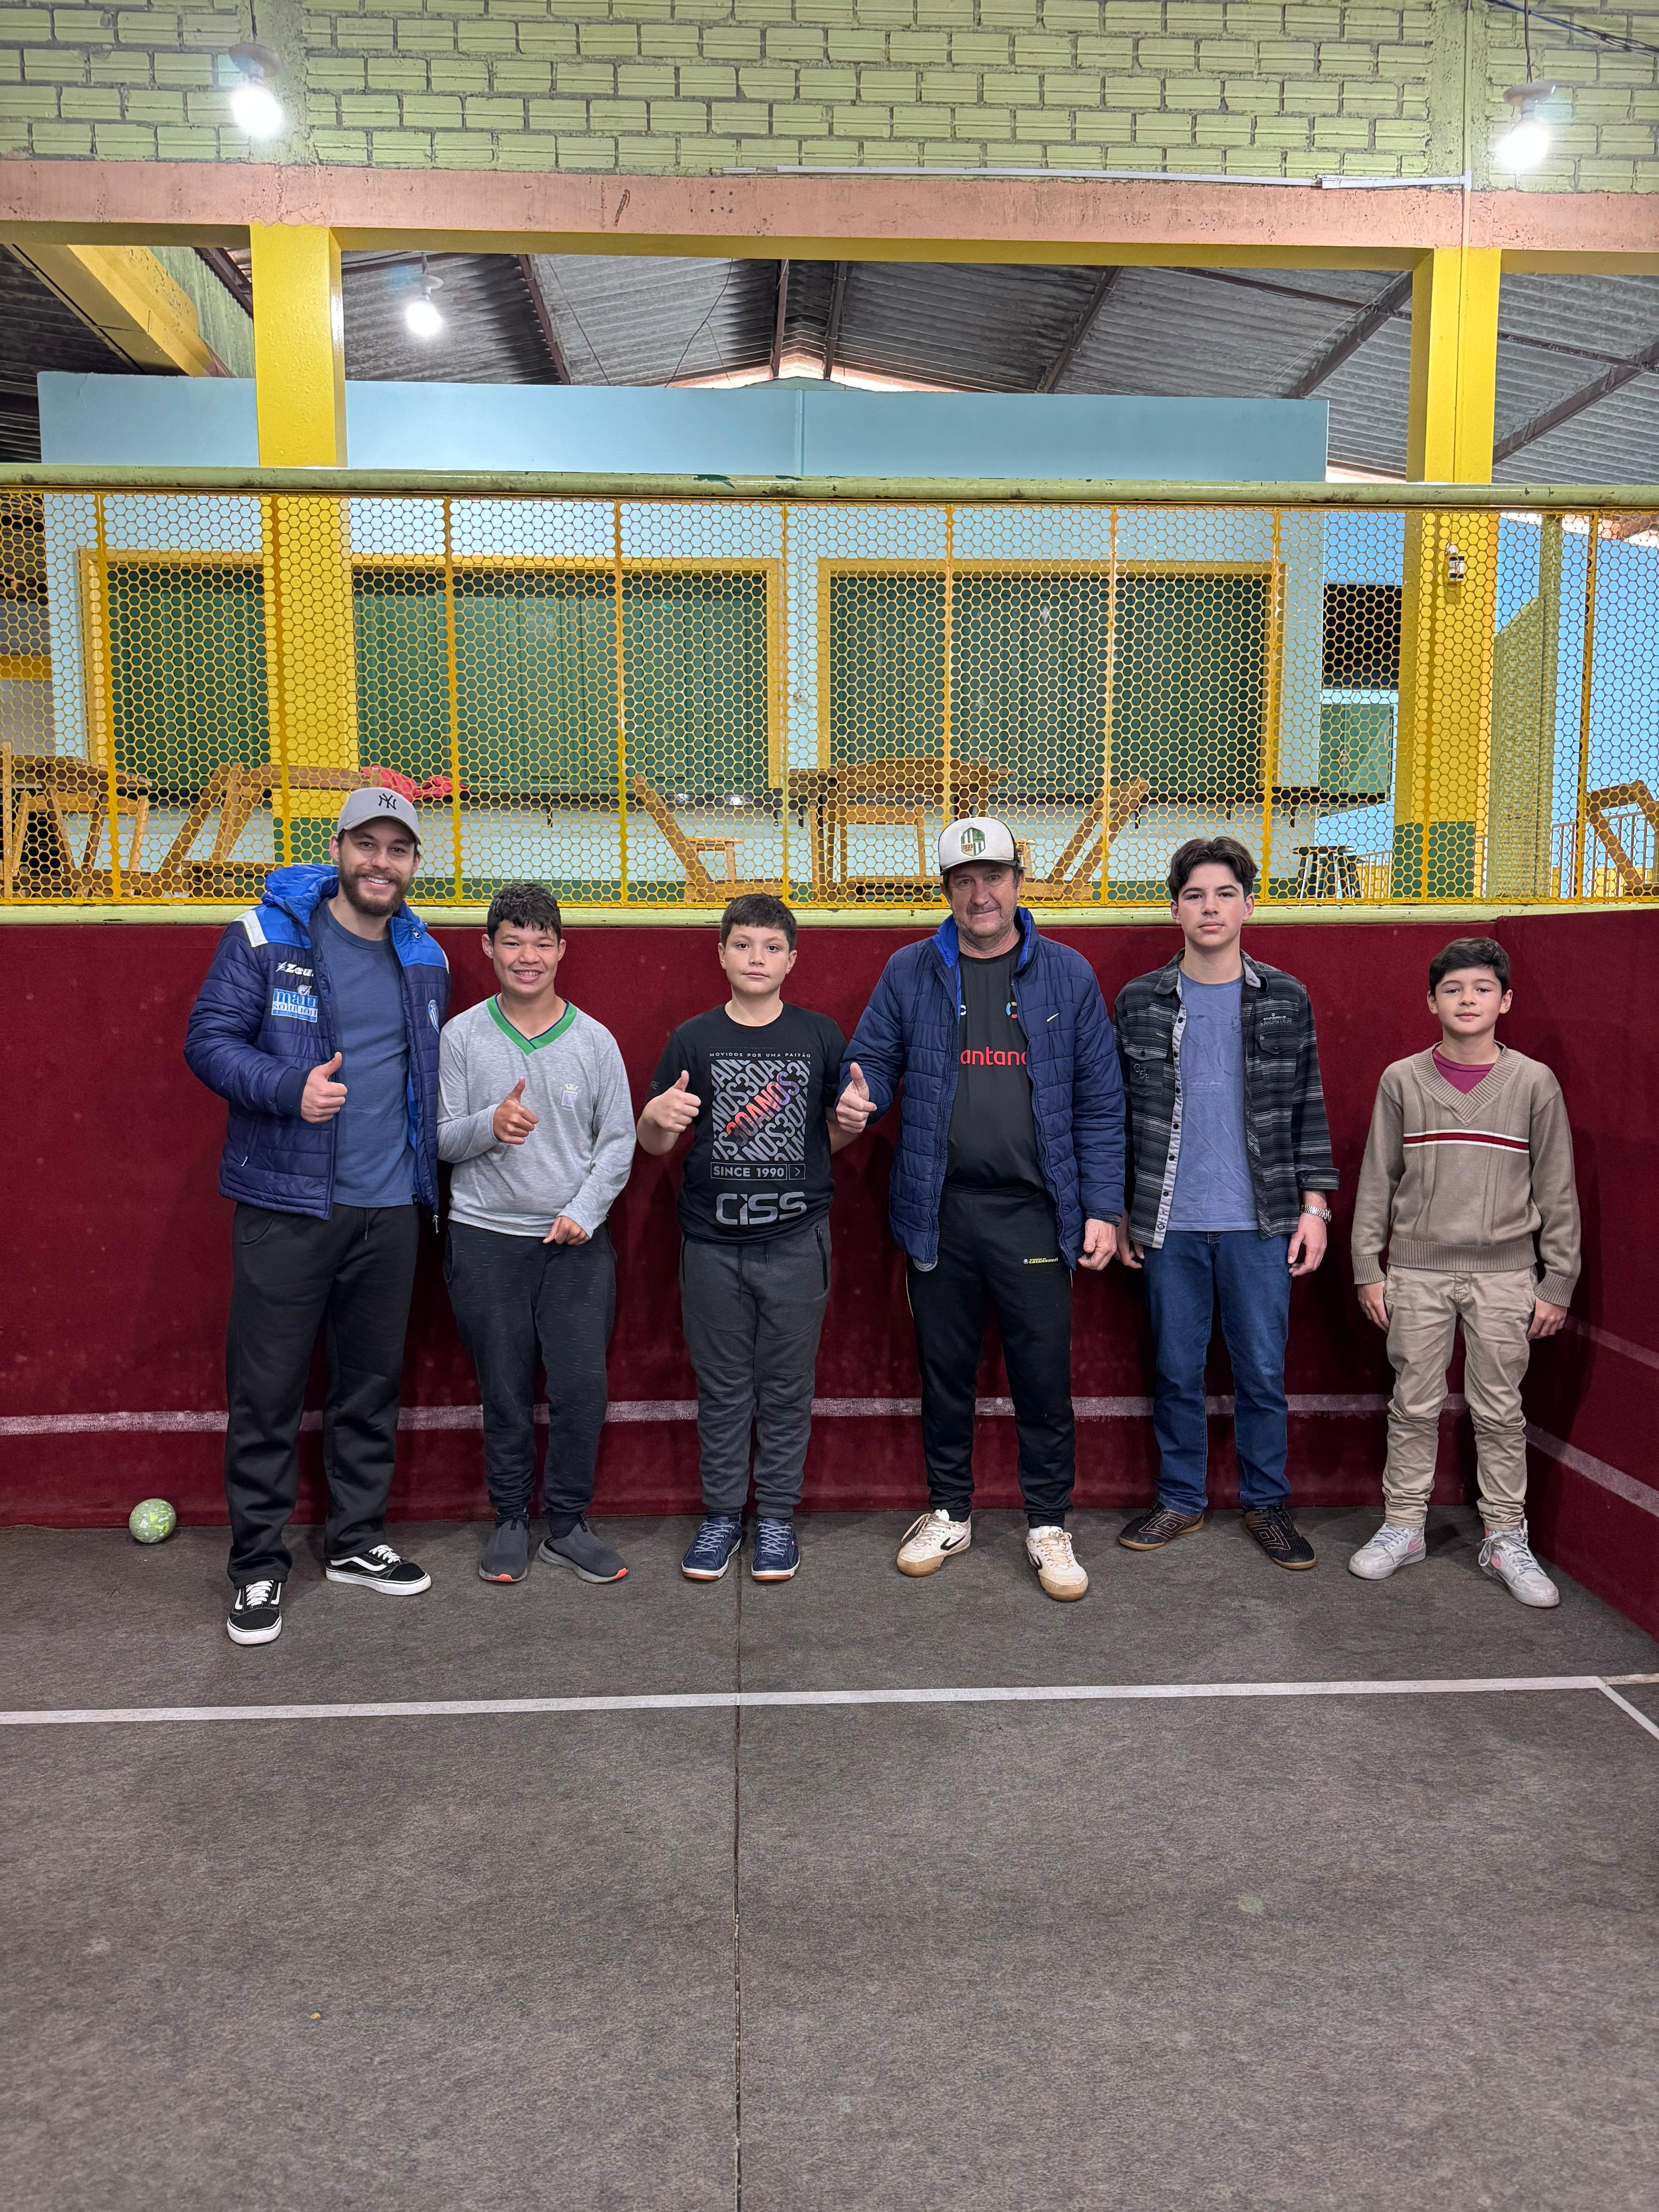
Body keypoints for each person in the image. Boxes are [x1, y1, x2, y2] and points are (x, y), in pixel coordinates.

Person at [183, 787, 450, 1646]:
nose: (381, 862)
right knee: (266, 1394)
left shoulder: (426, 955)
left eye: (398, 849)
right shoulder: (264, 935)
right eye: (366, 844)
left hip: (391, 1210)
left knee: (370, 1388)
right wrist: (287, 1088)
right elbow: (208, 1041)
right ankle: (258, 1565)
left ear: (414, 863)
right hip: (287, 1207)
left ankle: (356, 1541)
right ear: (337, 848)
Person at [836, 817, 1124, 1601]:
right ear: (947, 892)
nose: (980, 893)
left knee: (1043, 1378)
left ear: (1018, 883)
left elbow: (1101, 1102)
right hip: (941, 1211)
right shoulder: (909, 971)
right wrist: (860, 1096)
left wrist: (1103, 1206)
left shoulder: (1068, 974)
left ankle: (1048, 1523)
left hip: (1036, 1213)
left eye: (993, 876)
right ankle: (950, 1511)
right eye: (963, 881)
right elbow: (873, 1061)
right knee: (945, 1375)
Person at [1113, 835, 1337, 1570]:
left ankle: (1266, 1503)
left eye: (1224, 894)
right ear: (1174, 909)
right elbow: (1117, 1115)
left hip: (1262, 1222)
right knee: (1176, 1370)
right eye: (1195, 895)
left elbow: (1308, 1105)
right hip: (1169, 1223)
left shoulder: (1287, 997)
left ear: (1249, 905)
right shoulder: (1140, 1001)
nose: (1210, 908)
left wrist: (1315, 1208)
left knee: (1262, 1373)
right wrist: (1120, 1209)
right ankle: (1181, 1499)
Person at [1348, 937, 1579, 1607]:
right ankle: (1404, 1525)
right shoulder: (1401, 1079)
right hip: (1416, 1272)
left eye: (1482, 988)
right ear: (1431, 1001)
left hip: (1506, 1276)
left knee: (1500, 1410)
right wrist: (1367, 1265)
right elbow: (1377, 1179)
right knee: (1413, 1404)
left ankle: (1505, 1535)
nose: (1468, 999)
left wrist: (1557, 1279)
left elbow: (1558, 1187)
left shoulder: (1534, 1082)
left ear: (1505, 1001)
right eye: (1453, 989)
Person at [639, 894, 853, 1584]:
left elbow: (833, 1132)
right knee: (724, 1389)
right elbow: (655, 1142)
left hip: (796, 1244)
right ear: (722, 953)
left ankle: (777, 1518)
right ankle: (724, 1515)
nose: (756, 958)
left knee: (787, 1389)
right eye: (743, 944)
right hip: (711, 1246)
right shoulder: (691, 1038)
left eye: (771, 947)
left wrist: (851, 1119)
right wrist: (657, 1116)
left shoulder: (820, 1035)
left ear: (792, 960)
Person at [438, 883, 635, 1587]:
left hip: (574, 1244)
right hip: (484, 1239)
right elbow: (440, 1138)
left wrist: (586, 1208)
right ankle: (510, 1519)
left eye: (542, 942)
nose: (528, 956)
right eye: (513, 941)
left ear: (561, 950)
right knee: (504, 1388)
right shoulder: (461, 1036)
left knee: (582, 1389)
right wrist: (489, 1125)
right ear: (488, 948)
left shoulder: (595, 1041)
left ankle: (569, 1523)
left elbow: (618, 1142)